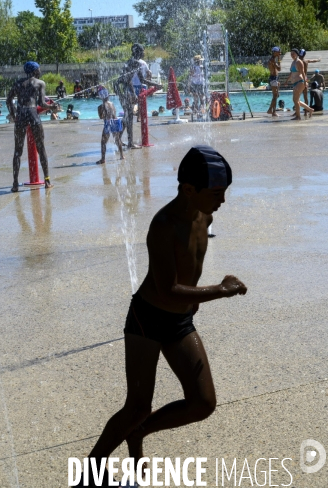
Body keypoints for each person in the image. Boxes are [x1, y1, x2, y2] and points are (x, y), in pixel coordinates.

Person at [77, 145, 247, 488]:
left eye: (224, 192)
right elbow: (168, 289)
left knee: (202, 403)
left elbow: (189, 269)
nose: (222, 201)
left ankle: (138, 433)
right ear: (188, 189)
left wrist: (194, 299)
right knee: (137, 404)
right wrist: (221, 289)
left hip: (180, 320)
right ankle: (91, 471)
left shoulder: (205, 216)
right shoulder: (163, 226)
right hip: (148, 319)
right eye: (216, 193)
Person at [6, 61, 53, 192]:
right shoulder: (39, 83)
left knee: (17, 151)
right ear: (34, 71)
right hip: (33, 114)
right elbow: (42, 104)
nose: (40, 71)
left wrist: (13, 113)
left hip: (20, 115)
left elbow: (8, 100)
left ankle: (15, 183)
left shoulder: (17, 83)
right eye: (39, 69)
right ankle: (47, 181)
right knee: (41, 148)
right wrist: (52, 107)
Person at [115, 43, 162, 149]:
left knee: (127, 116)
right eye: (143, 51)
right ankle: (130, 143)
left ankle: (118, 138)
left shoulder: (135, 63)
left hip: (124, 89)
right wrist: (130, 93)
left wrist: (156, 85)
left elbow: (142, 80)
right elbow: (127, 81)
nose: (144, 53)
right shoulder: (133, 62)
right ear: (138, 52)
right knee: (129, 116)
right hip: (123, 90)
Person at [96, 88, 124, 164]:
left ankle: (103, 159)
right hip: (116, 122)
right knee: (117, 139)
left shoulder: (101, 106)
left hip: (108, 123)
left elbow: (101, 117)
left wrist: (99, 110)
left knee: (103, 142)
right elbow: (114, 113)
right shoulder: (112, 104)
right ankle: (122, 155)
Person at [284, 49, 313, 120]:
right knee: (297, 100)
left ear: (297, 54)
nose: (292, 55)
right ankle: (310, 109)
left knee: (295, 100)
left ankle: (298, 116)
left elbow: (303, 72)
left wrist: (305, 82)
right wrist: (287, 81)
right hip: (295, 82)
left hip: (300, 81)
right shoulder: (293, 62)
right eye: (291, 54)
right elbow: (291, 73)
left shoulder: (299, 62)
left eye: (293, 53)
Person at [266, 46, 281, 117]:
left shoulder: (272, 59)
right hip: (273, 78)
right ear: (274, 52)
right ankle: (273, 112)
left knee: (276, 95)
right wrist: (279, 59)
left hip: (275, 78)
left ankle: (270, 110)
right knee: (275, 96)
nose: (280, 53)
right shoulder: (272, 60)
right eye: (278, 52)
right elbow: (279, 68)